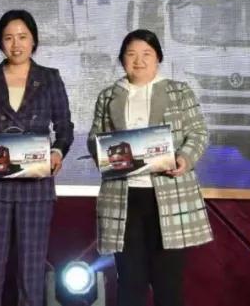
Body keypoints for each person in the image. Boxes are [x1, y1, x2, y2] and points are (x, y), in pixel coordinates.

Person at [88, 29, 212, 306]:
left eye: (147, 54)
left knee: (168, 283)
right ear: (122, 59)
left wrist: (184, 158)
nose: (139, 60)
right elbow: (94, 138)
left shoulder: (179, 91)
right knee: (130, 282)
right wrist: (103, 154)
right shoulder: (108, 96)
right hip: (124, 197)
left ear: (158, 58)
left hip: (169, 195)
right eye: (131, 54)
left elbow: (199, 133)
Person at [0, 9, 73, 306]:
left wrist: (57, 152)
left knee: (31, 275)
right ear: (0, 42)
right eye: (8, 38)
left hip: (35, 188)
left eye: (23, 37)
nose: (16, 44)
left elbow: (64, 128)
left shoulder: (50, 78)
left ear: (33, 40)